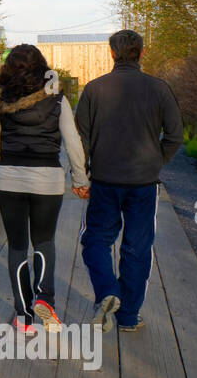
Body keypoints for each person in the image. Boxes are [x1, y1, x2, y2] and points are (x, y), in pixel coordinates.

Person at [0, 44, 90, 334]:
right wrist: (80, 180)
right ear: (41, 67)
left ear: (9, 68)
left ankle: (23, 317)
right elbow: (73, 141)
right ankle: (45, 300)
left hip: (9, 179)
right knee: (44, 242)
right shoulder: (56, 98)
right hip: (47, 179)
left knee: (16, 246)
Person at [74, 30, 184, 333]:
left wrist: (81, 175)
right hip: (144, 184)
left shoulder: (94, 90)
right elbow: (175, 136)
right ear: (142, 53)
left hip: (105, 180)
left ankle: (108, 291)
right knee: (137, 247)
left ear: (111, 53)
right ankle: (128, 317)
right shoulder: (160, 89)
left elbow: (79, 139)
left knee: (95, 240)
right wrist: (155, 161)